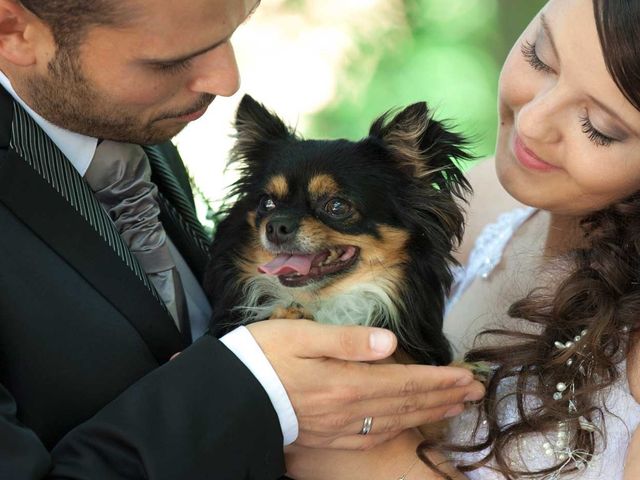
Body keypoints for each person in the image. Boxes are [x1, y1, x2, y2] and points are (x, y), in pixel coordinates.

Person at [0, 0, 487, 478]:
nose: (227, 80)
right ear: (12, 30)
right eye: (169, 57)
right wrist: (253, 392)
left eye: (230, 33)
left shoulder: (133, 136)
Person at [284, 0, 640, 478]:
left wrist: (381, 463)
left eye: (599, 128)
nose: (533, 122)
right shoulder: (483, 201)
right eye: (540, 57)